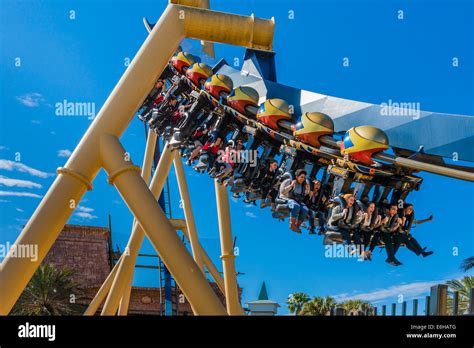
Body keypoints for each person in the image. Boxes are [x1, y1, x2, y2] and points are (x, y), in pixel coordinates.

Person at [279, 169, 310, 233]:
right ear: (297, 177)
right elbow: (282, 192)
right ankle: (292, 224)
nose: (303, 179)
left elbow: (304, 195)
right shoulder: (289, 181)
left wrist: (307, 190)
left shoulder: (303, 185)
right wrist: (291, 186)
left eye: (304, 177)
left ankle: (297, 226)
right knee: (296, 206)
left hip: (297, 200)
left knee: (305, 209)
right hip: (287, 198)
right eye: (301, 177)